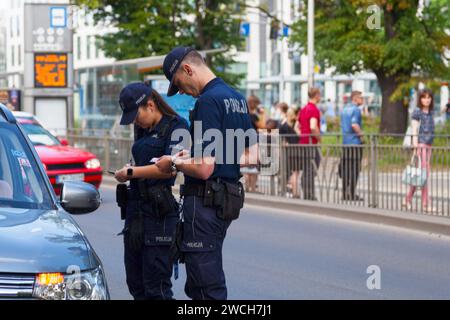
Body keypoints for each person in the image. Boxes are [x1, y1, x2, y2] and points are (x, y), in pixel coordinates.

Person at [143, 47, 258, 300]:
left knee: (206, 288)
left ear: (187, 69)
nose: (181, 91)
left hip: (204, 204)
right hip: (226, 202)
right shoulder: (236, 98)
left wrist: (173, 162)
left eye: (178, 84)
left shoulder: (207, 101)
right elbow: (254, 154)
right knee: (200, 283)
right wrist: (201, 159)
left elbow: (205, 168)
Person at [113, 82, 188, 300]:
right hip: (135, 212)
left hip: (159, 215)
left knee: (157, 289)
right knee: (135, 284)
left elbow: (171, 170)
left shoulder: (177, 126)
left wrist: (131, 172)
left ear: (151, 105)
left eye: (136, 115)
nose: (135, 121)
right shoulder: (142, 129)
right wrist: (130, 172)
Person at [403, 88, 439, 214]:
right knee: (423, 175)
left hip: (428, 146)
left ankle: (407, 200)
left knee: (421, 175)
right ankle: (426, 205)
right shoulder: (417, 112)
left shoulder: (431, 112)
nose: (427, 100)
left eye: (429, 97)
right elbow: (414, 129)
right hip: (421, 145)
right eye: (424, 97)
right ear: (420, 99)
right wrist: (416, 147)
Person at [340, 90, 364, 201]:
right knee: (354, 169)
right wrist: (362, 136)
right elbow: (354, 124)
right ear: (355, 98)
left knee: (346, 169)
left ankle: (344, 193)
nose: (362, 100)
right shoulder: (356, 110)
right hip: (355, 143)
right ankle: (352, 193)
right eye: (360, 97)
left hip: (345, 143)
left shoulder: (344, 109)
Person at [298, 87, 322, 200]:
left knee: (308, 167)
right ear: (316, 95)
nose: (320, 97)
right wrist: (319, 138)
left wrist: (302, 136)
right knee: (312, 167)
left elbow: (297, 127)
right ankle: (309, 193)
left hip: (303, 143)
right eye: (320, 95)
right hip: (311, 143)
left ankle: (307, 190)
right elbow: (313, 126)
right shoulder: (314, 109)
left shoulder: (303, 109)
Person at [244, 95, 265, 193]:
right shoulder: (254, 116)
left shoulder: (244, 114)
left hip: (244, 140)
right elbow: (262, 126)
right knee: (254, 164)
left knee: (247, 164)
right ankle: (252, 188)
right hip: (253, 140)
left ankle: (247, 187)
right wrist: (263, 114)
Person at [280, 108, 300, 198]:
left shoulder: (283, 125)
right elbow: (300, 136)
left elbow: (281, 139)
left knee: (290, 172)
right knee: (295, 172)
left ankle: (290, 189)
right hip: (297, 150)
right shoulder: (296, 124)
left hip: (287, 151)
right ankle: (295, 192)